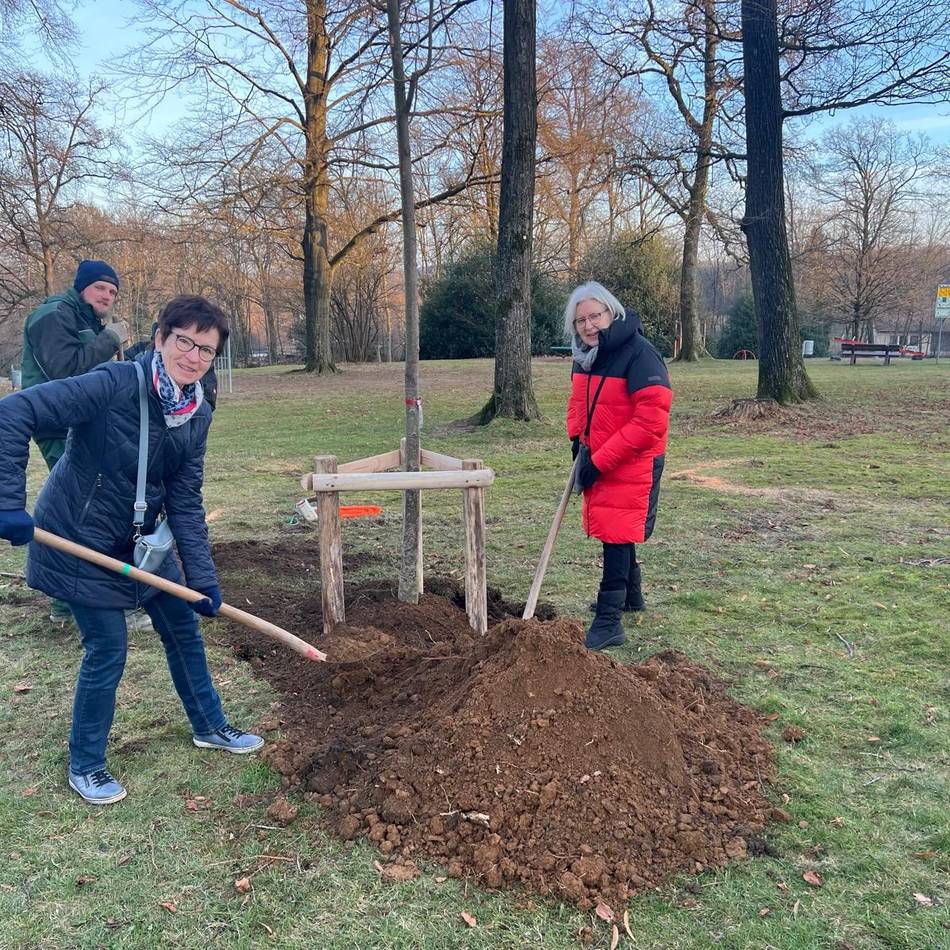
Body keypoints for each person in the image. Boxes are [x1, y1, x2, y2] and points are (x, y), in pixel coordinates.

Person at [0, 295, 262, 805]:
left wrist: (203, 581)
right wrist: (9, 502)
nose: (193, 356)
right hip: (77, 538)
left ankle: (210, 726)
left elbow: (186, 501)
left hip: (143, 542)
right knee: (109, 648)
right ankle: (87, 764)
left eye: (205, 350)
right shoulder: (114, 383)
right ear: (161, 337)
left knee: (183, 627)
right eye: (183, 340)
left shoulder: (196, 413)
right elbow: (15, 411)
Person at [20, 260, 133, 627]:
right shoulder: (51, 315)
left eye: (113, 292)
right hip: (56, 425)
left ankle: (70, 599)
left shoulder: (88, 321)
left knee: (83, 506)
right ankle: (76, 602)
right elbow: (65, 370)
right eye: (101, 287)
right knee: (82, 509)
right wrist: (109, 340)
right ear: (82, 286)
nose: (108, 296)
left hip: (81, 424)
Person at [564, 281, 672, 651]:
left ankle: (609, 622)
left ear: (612, 312)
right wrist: (577, 440)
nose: (589, 325)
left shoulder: (640, 355)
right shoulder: (585, 357)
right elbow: (579, 402)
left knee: (616, 530)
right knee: (616, 526)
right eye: (581, 320)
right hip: (598, 454)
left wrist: (600, 460)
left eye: (596, 315)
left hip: (634, 458)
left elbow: (650, 422)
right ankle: (632, 597)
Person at [127, 322, 219, 411]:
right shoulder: (140, 350)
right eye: (183, 341)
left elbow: (209, 400)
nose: (192, 358)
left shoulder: (201, 360)